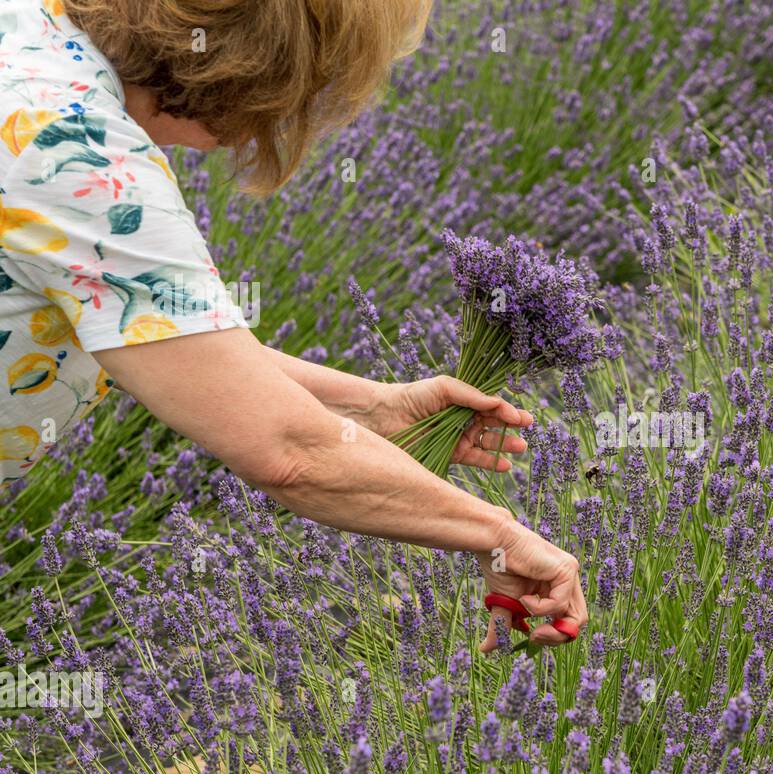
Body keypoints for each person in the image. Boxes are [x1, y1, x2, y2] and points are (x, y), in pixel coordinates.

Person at [0, 0, 587, 649]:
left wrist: (374, 407)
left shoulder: (33, 35)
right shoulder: (78, 156)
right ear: (260, 65)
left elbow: (174, 341)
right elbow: (288, 451)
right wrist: (500, 533)